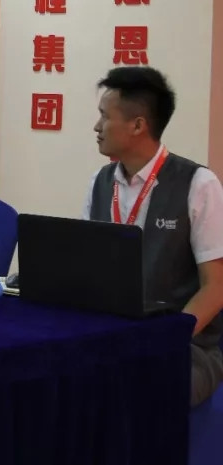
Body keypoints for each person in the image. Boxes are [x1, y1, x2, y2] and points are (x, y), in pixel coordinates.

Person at [84, 66, 223, 406]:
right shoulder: (100, 182)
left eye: (105, 116)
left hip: (186, 347)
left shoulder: (199, 184)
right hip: (111, 337)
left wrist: (167, 337)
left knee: (136, 387)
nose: (97, 127)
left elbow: (216, 287)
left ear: (138, 125)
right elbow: (89, 269)